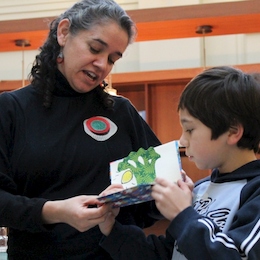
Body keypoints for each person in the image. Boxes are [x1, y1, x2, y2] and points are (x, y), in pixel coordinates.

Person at [0, 0, 162, 259]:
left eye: (112, 59)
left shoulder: (121, 112)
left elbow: (155, 191)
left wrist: (163, 191)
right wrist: (53, 211)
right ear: (63, 32)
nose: (102, 65)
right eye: (95, 48)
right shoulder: (12, 109)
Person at [98, 66, 260, 259]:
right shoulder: (200, 189)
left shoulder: (254, 192)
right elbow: (169, 253)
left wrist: (183, 214)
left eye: (190, 130)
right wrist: (112, 230)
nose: (182, 141)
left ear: (233, 132)